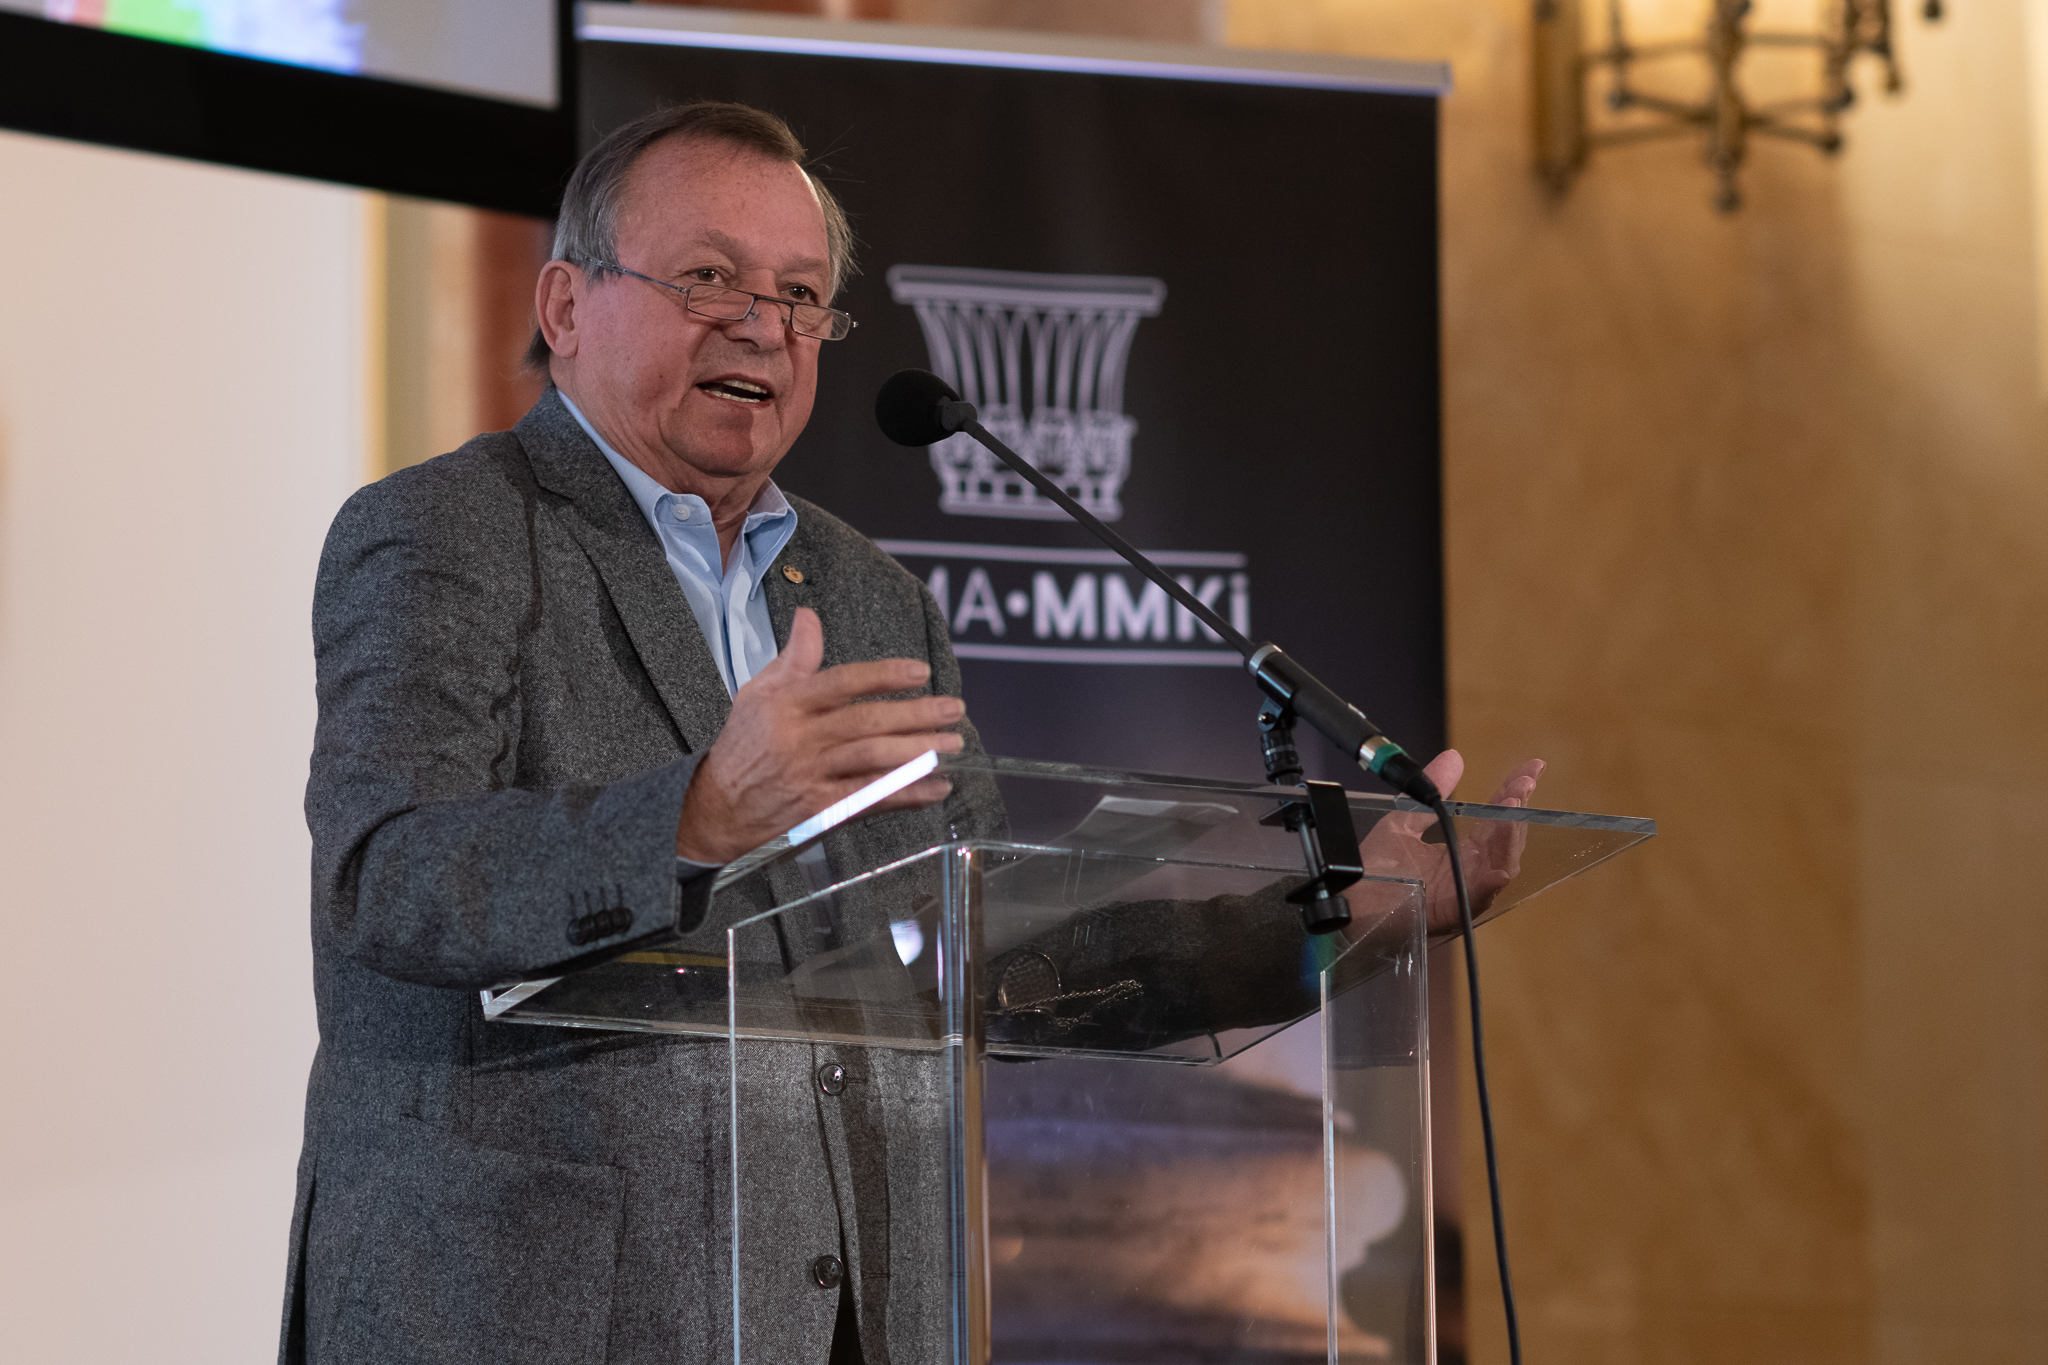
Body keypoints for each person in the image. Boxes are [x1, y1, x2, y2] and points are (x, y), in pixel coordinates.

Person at [280, 101, 1540, 1365]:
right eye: (708, 277)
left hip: (850, 1321)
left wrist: (1338, 919)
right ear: (565, 304)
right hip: (535, 1316)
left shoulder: (871, 598)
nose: (760, 326)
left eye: (798, 295)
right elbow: (383, 878)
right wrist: (694, 817)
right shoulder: (449, 533)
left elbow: (994, 957)